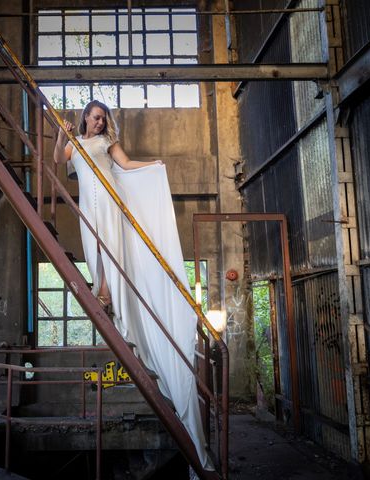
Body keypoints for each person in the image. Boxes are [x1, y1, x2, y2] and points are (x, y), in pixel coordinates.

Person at [54, 100, 214, 471]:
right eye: (93, 118)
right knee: (93, 246)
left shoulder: (107, 143)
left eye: (102, 119)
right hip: (87, 206)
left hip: (108, 200)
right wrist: (60, 133)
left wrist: (153, 166)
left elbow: (125, 165)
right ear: (84, 119)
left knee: (107, 243)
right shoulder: (75, 142)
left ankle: (108, 291)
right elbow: (60, 163)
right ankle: (104, 286)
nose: (97, 123)